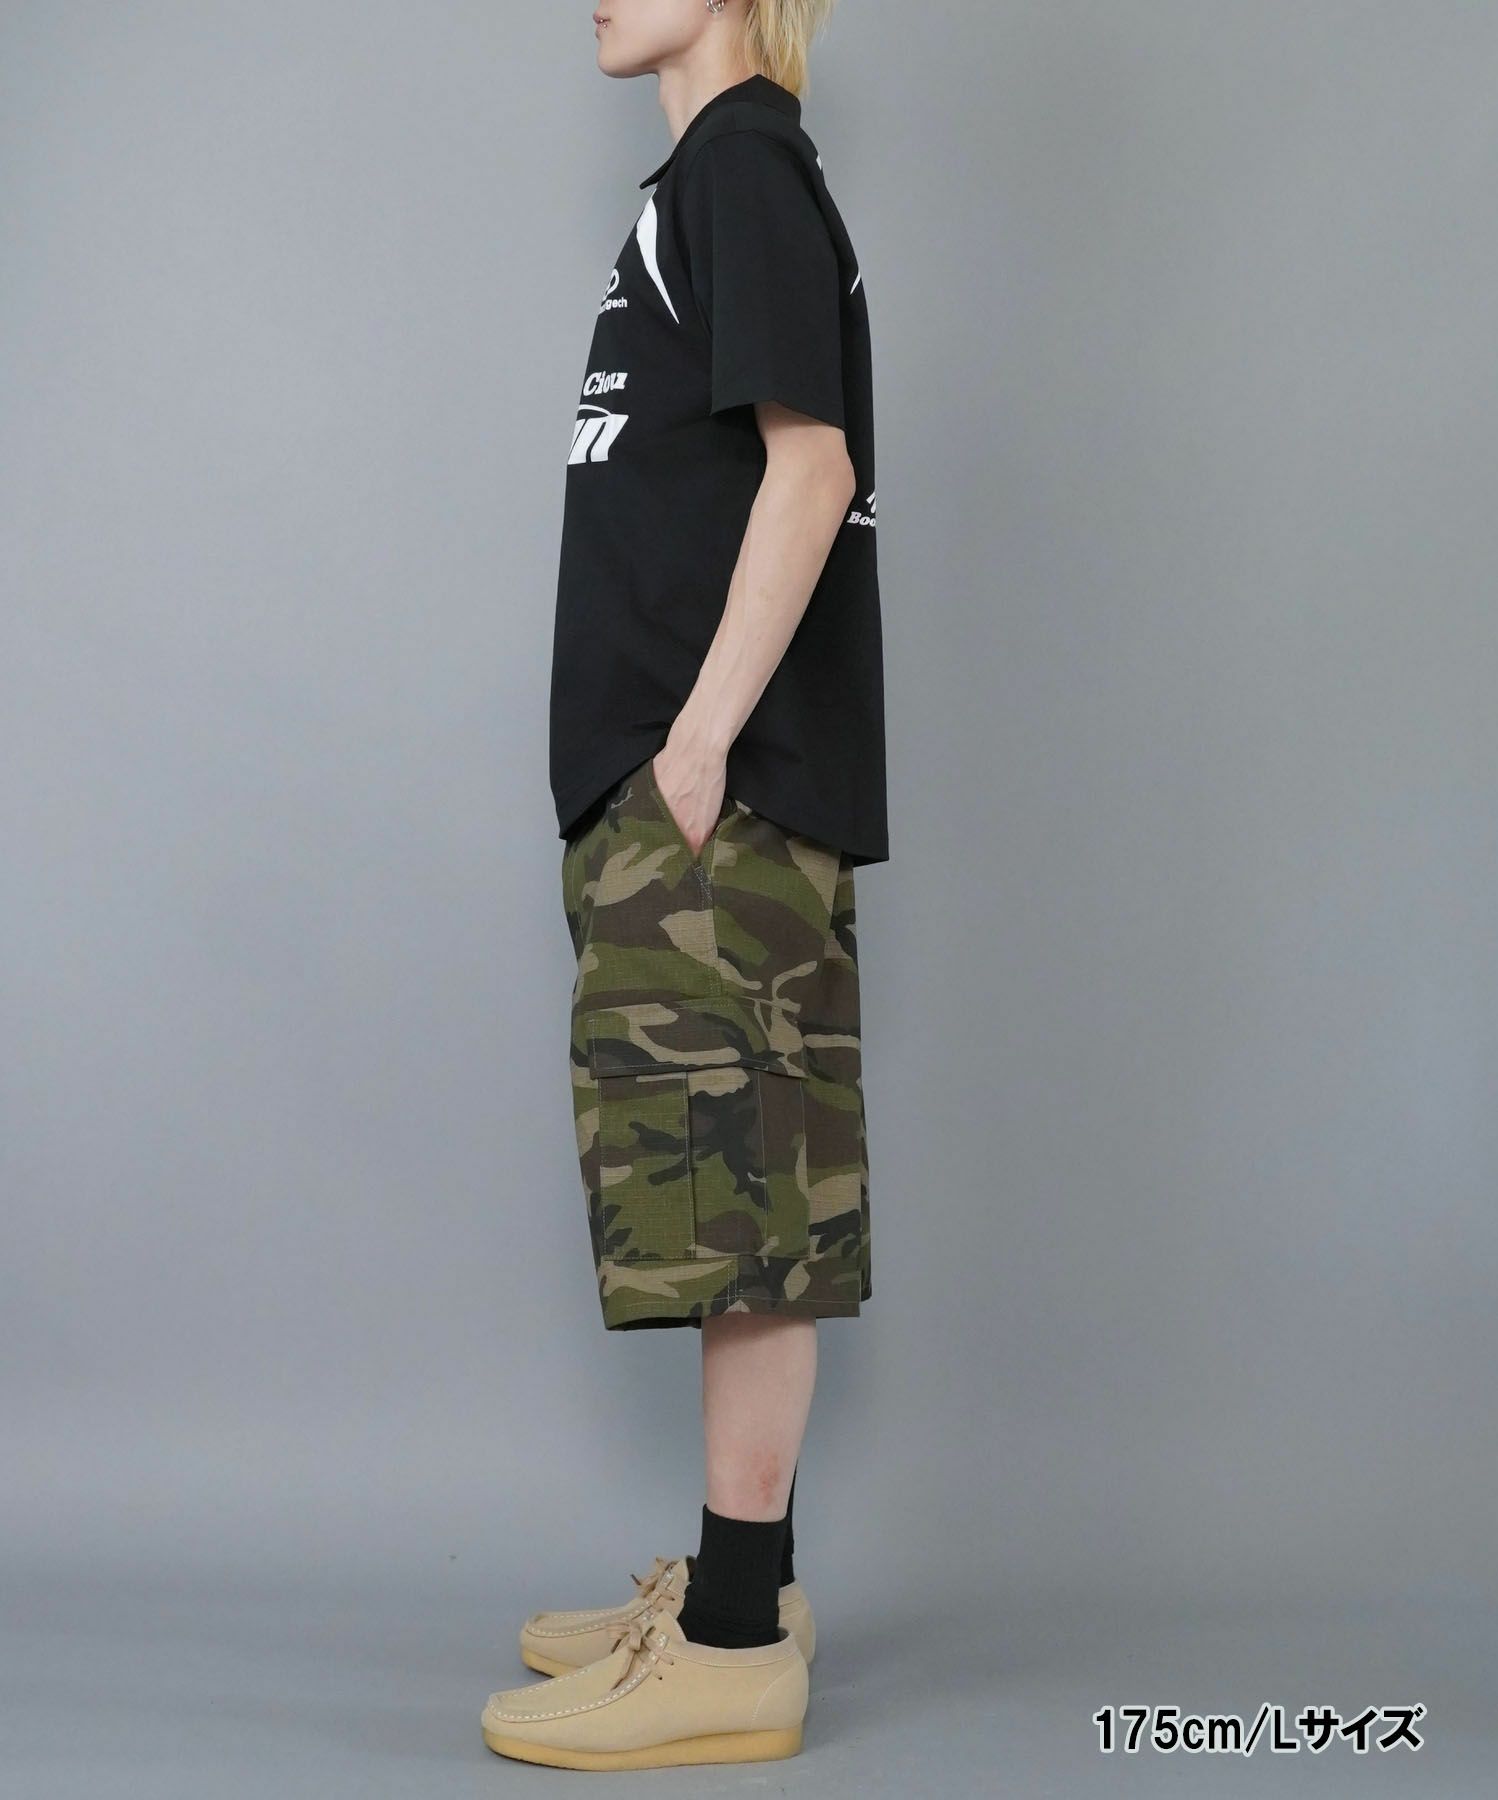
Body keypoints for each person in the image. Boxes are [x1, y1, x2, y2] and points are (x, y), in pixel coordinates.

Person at [482, 0, 887, 1769]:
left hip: (714, 796)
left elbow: (815, 462)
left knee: (743, 1214)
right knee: (722, 1198)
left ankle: (728, 1649)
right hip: (676, 799)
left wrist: (702, 740)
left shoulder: (746, 172)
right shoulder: (706, 183)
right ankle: (746, 1590)